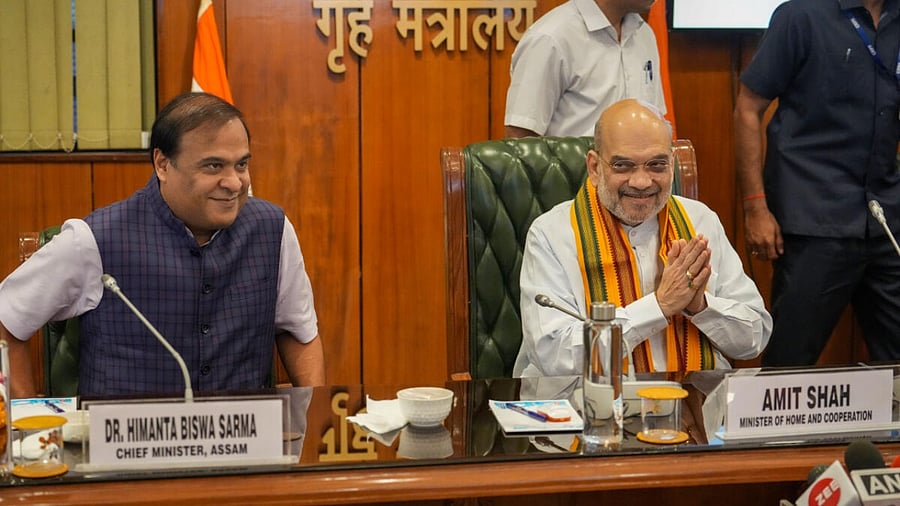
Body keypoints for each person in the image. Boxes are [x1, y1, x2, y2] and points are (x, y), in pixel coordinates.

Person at [0, 92, 325, 398]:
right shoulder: (94, 240)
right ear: (163, 164)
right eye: (214, 166)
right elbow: (6, 321)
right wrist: (27, 427)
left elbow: (299, 332)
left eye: (241, 164)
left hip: (243, 444)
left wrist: (311, 416)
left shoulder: (272, 230)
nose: (234, 183)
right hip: (129, 450)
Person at [514, 99, 771, 377]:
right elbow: (553, 357)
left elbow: (755, 337)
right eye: (623, 166)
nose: (641, 182)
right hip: (586, 406)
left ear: (671, 164)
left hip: (693, 405)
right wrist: (659, 306)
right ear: (595, 167)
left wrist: (701, 306)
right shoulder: (551, 234)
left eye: (656, 165)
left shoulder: (699, 221)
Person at [734, 0, 900, 366]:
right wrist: (755, 207)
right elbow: (748, 108)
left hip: (887, 220)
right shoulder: (801, 16)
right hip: (813, 220)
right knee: (788, 368)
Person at [504, 0, 665, 138]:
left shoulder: (644, 34)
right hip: (574, 173)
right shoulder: (550, 38)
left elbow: (656, 121)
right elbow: (520, 138)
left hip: (640, 172)